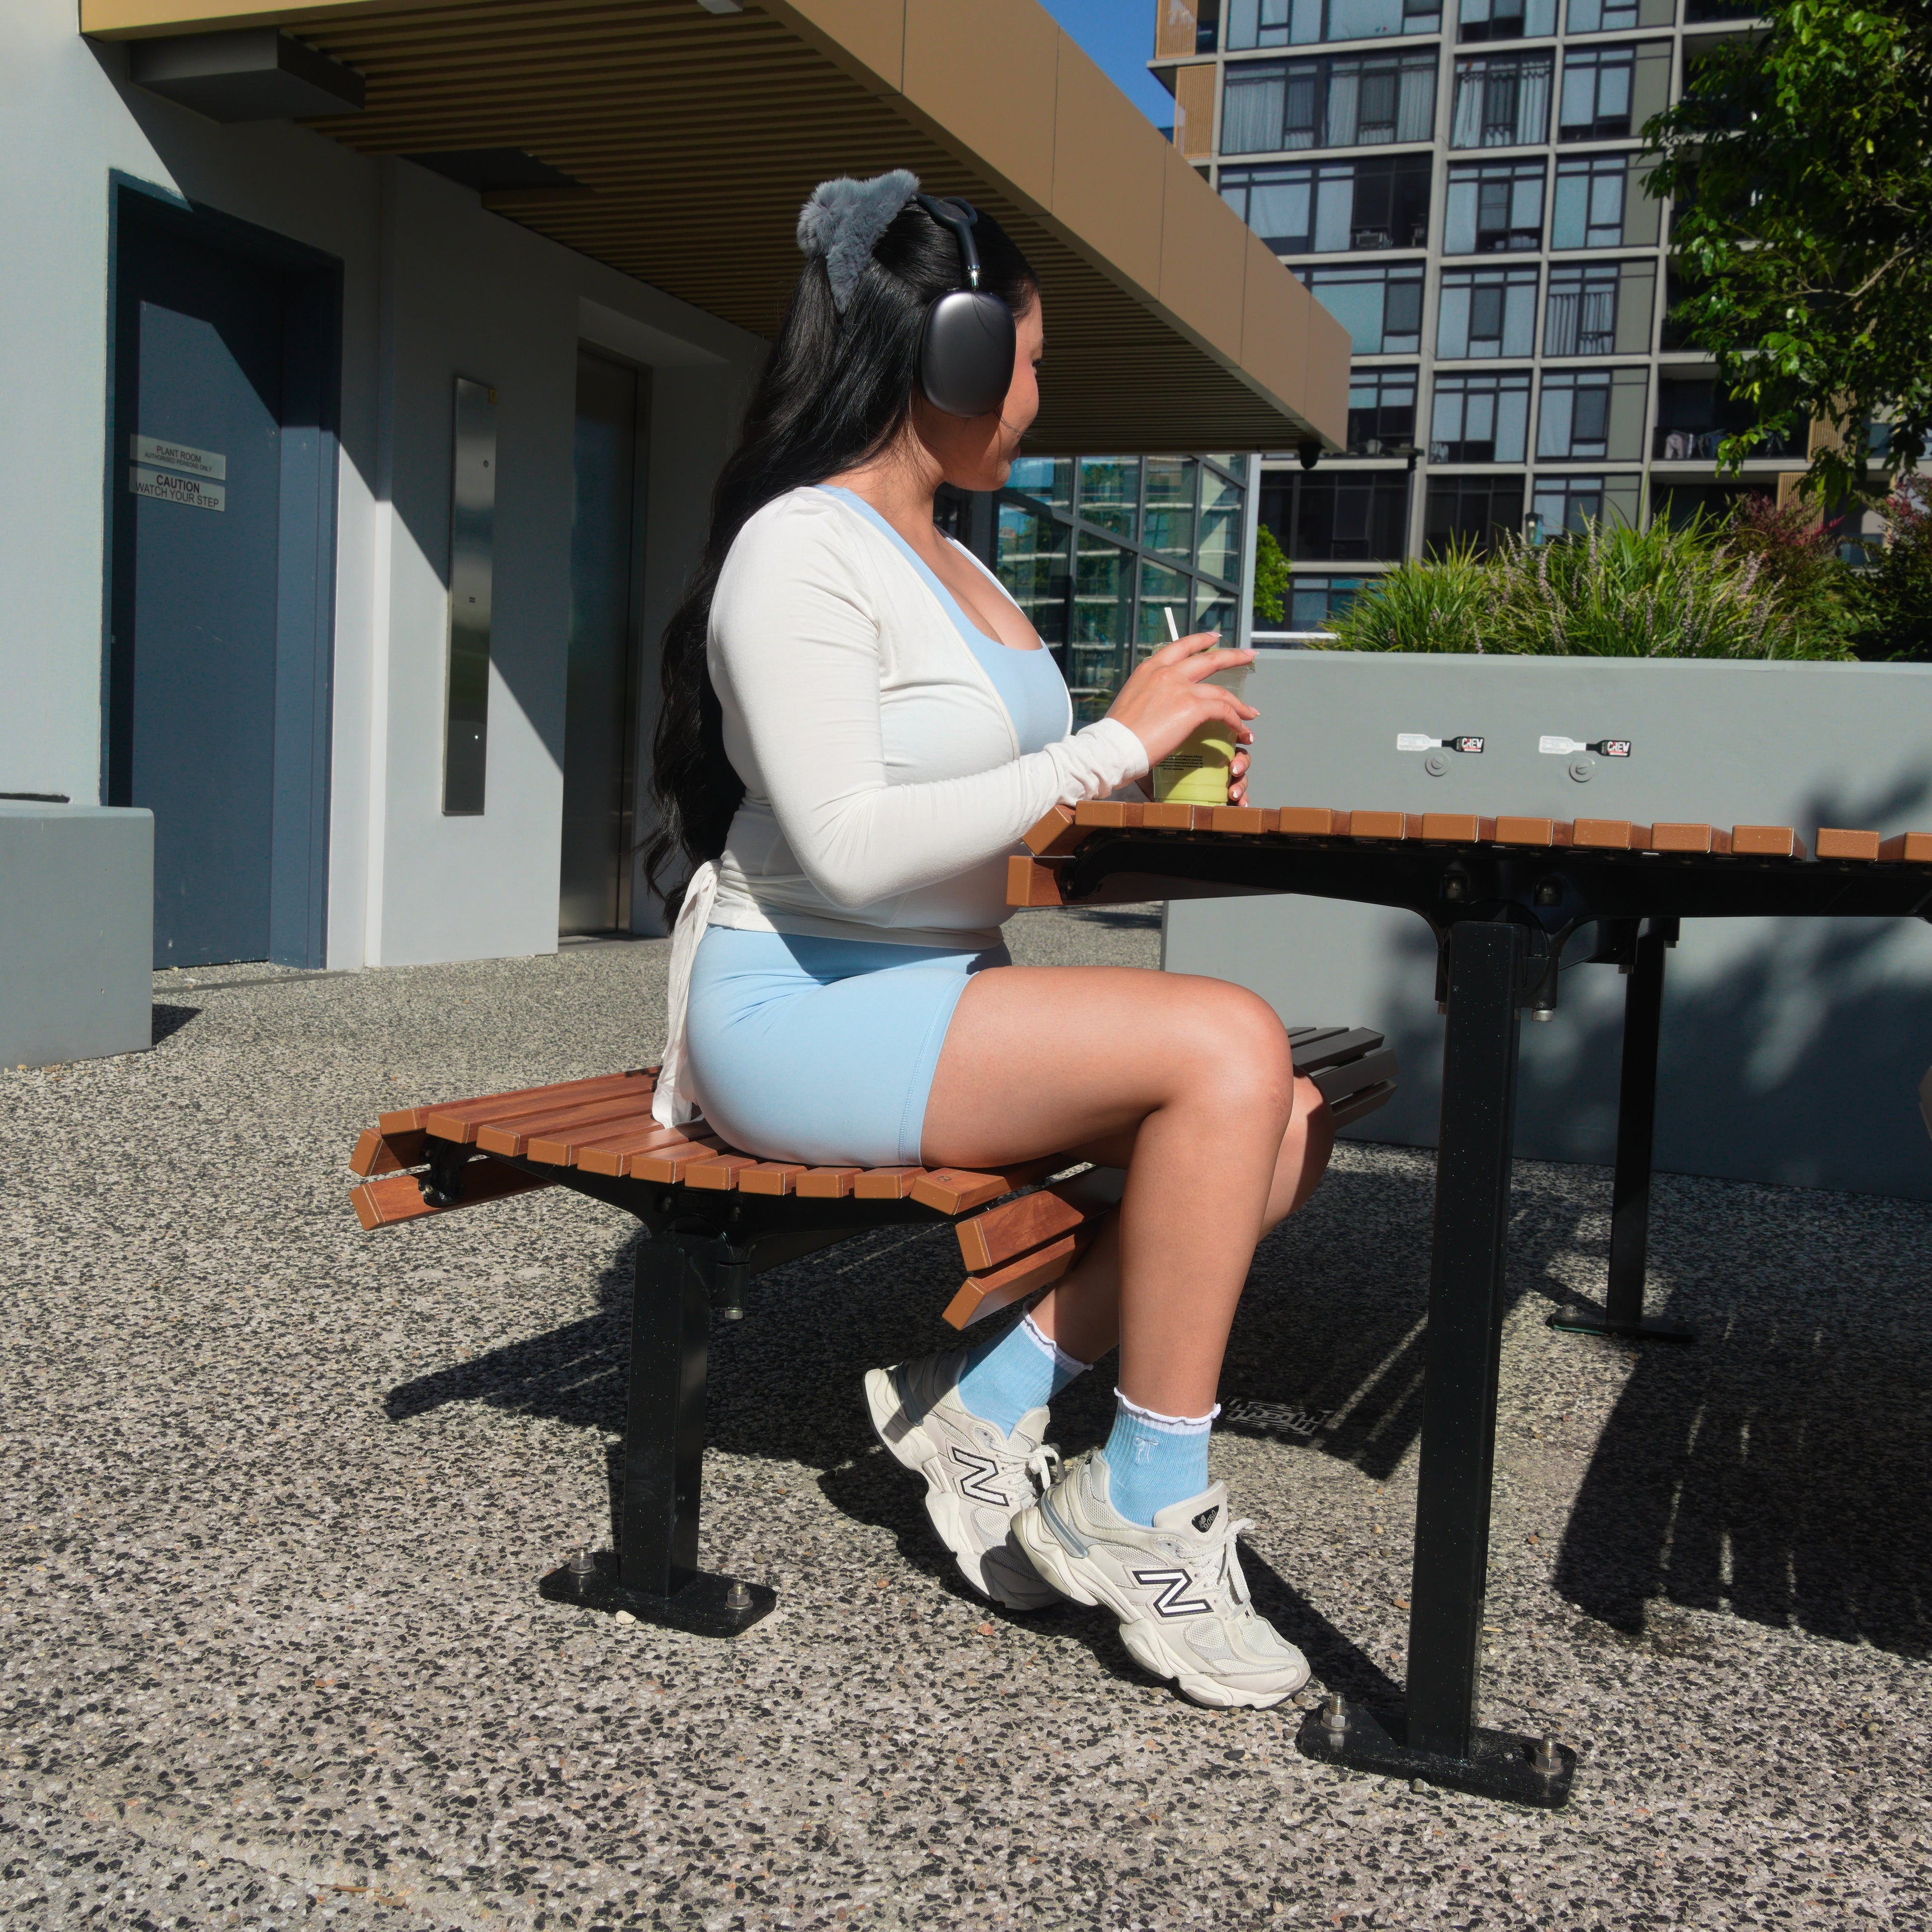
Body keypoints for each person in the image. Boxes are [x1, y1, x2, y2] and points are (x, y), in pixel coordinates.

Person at [642, 171, 1335, 1711]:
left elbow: (992, 821)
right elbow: (848, 844)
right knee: (1231, 1044)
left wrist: (1148, 780)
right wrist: (1101, 748)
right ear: (945, 356)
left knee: (1279, 1124)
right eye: (1025, 358)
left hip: (940, 990)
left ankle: (998, 1390)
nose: (1036, 394)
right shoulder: (800, 551)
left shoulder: (957, 557)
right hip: (804, 1006)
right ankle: (1144, 1504)